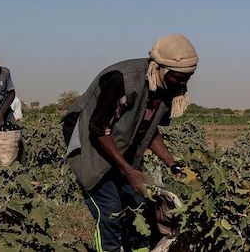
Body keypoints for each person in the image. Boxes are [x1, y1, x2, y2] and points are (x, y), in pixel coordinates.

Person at [63, 34, 198, 252]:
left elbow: (150, 129)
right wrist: (128, 170)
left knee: (138, 204)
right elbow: (98, 130)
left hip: (119, 144)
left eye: (188, 78)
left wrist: (172, 163)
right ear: (160, 68)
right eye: (179, 77)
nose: (183, 84)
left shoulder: (164, 88)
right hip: (91, 142)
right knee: (110, 210)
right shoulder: (122, 79)